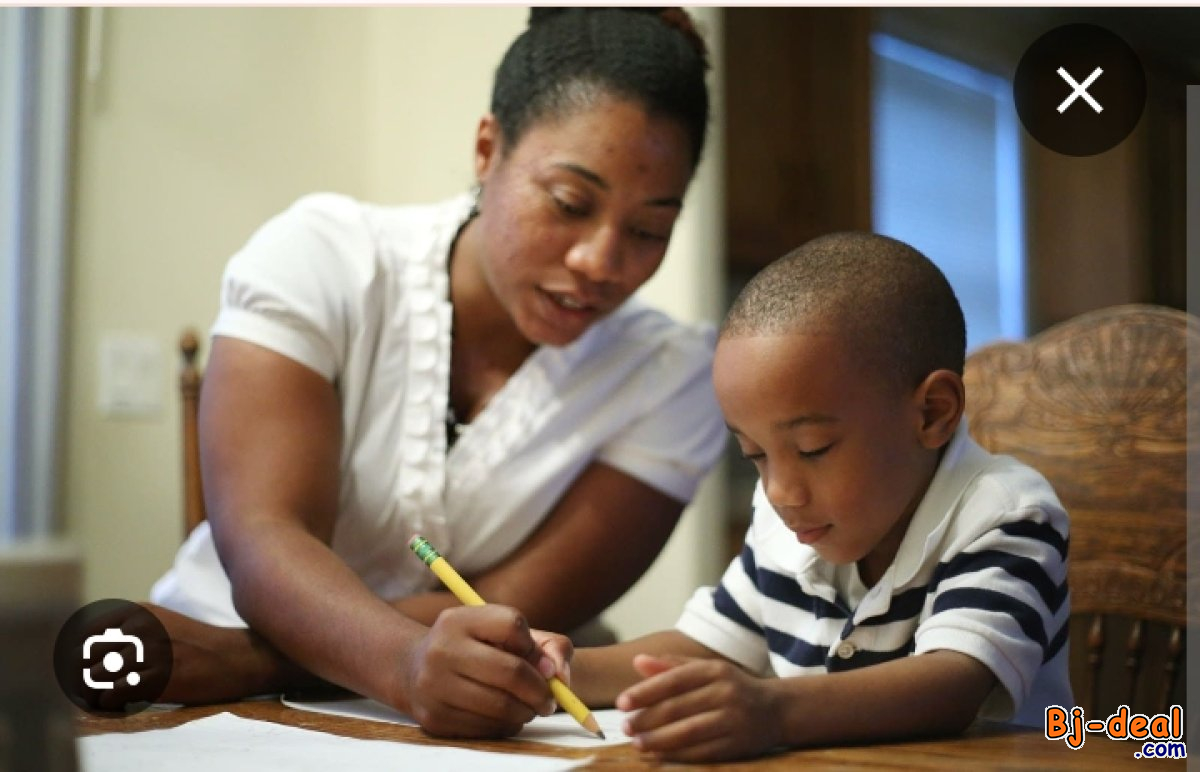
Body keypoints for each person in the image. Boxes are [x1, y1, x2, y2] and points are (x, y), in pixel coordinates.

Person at [144, 7, 725, 740]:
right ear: (488, 148)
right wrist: (403, 662)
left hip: (268, 670)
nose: (600, 262)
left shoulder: (675, 376)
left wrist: (247, 660)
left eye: (649, 230)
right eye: (570, 203)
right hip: (190, 699)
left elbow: (510, 605)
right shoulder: (325, 257)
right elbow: (267, 532)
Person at [555, 232, 1073, 762]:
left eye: (813, 448)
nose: (780, 492)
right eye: (755, 455)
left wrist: (772, 710)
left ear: (932, 413)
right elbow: (712, 645)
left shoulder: (1005, 513)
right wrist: (557, 667)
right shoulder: (789, 521)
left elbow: (951, 683)